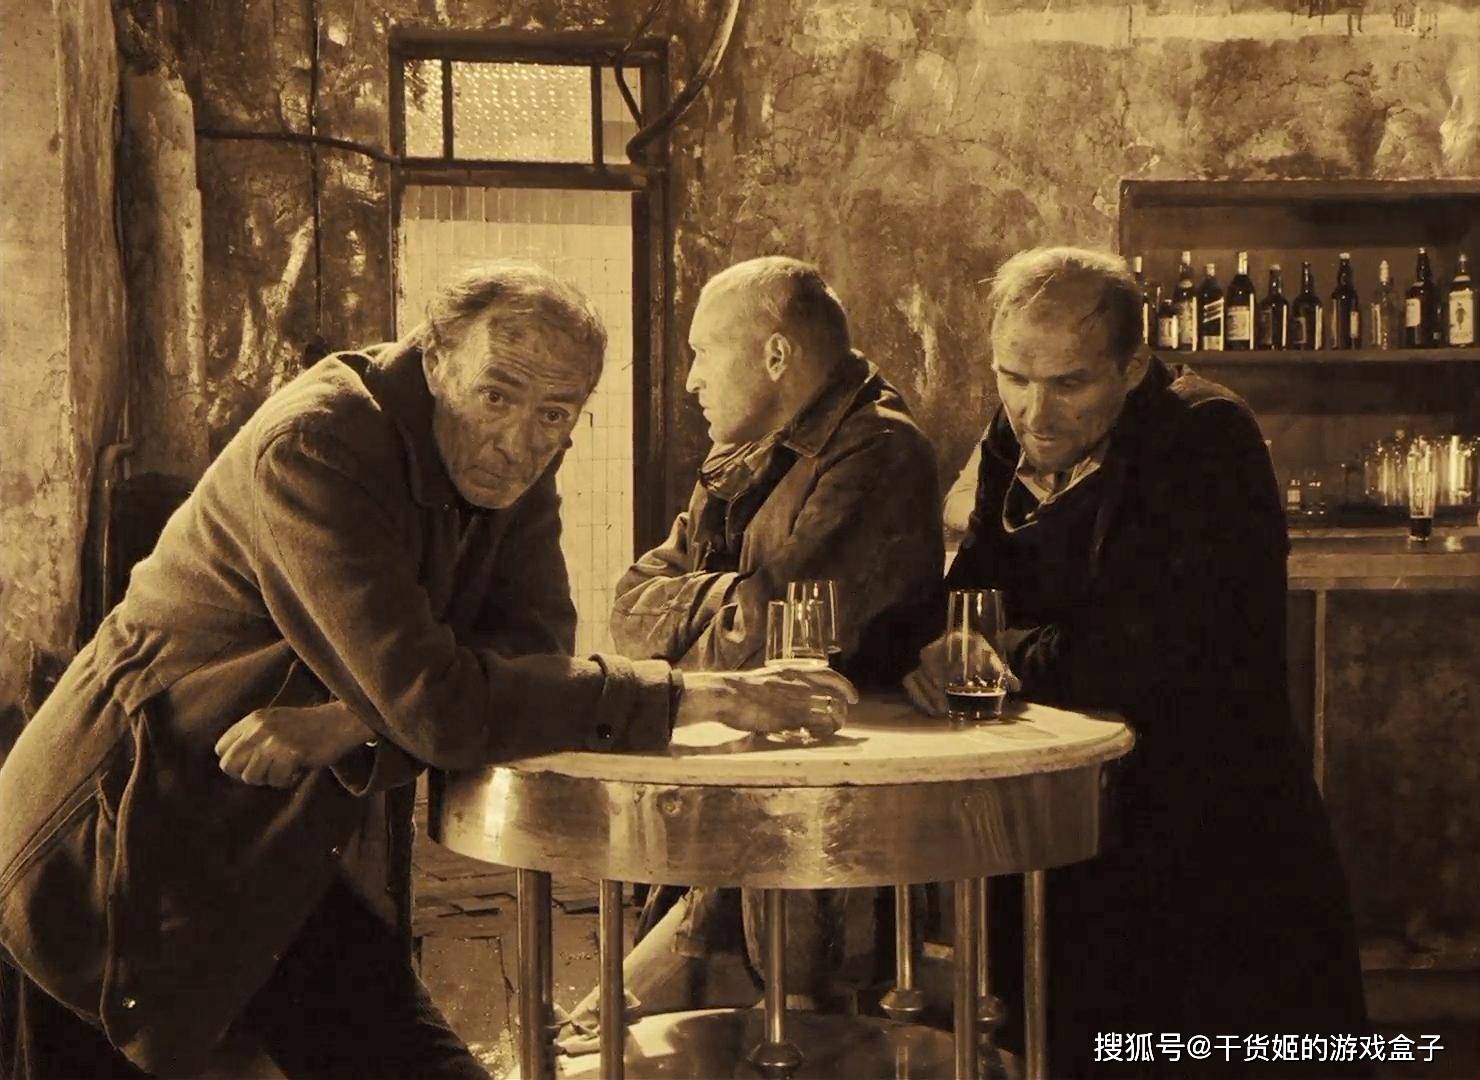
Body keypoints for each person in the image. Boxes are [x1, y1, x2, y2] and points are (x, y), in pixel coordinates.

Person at [0, 261, 854, 1079]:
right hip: (110, 852)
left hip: (274, 849)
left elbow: (530, 648)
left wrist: (348, 721)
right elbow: (441, 708)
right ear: (434, 359)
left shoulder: (517, 451)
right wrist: (695, 694)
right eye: (496, 396)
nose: (520, 442)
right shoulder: (316, 447)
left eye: (557, 414)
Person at [906, 246, 1367, 1076]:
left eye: (1068, 383)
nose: (1035, 411)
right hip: (1067, 836)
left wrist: (996, 650)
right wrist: (954, 644)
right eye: (1014, 378)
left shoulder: (1205, 437)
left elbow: (1130, 655)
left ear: (1133, 365)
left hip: (1205, 851)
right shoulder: (1017, 435)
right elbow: (970, 595)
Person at [561, 256, 944, 1044]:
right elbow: (630, 608)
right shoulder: (748, 449)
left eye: (704, 352)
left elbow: (766, 642)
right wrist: (730, 596)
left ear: (775, 355)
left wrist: (709, 610)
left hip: (831, 819)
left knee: (787, 1033)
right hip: (751, 793)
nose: (692, 379)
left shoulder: (879, 451)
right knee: (650, 1016)